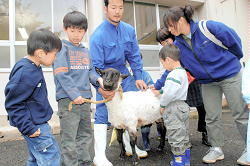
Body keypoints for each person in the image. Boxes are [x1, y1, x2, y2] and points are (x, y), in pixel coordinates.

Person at [163, 5, 249, 165]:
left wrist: (231, 62)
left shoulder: (208, 27)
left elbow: (234, 41)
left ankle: (249, 149)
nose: (168, 29)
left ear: (181, 20)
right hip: (207, 82)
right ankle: (216, 148)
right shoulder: (179, 45)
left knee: (240, 113)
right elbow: (174, 67)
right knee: (211, 117)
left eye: (170, 24)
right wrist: (158, 85)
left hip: (230, 74)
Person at [90, 0, 147, 165]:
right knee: (102, 113)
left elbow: (135, 56)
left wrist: (138, 77)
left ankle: (130, 147)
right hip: (106, 79)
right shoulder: (98, 35)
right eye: (113, 7)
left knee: (129, 111)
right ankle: (99, 155)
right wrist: (100, 86)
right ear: (105, 9)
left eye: (120, 7)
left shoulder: (129, 30)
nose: (117, 11)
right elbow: (95, 68)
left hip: (124, 77)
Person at [4, 29, 62, 166]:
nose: (56, 58)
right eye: (55, 54)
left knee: (36, 158)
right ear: (41, 53)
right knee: (51, 158)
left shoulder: (31, 66)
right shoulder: (27, 72)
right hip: (34, 125)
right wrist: (28, 127)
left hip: (35, 122)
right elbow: (13, 103)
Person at [52, 11, 103, 166]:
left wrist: (99, 79)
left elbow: (90, 71)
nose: (76, 34)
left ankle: (85, 163)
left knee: (86, 135)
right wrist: (74, 95)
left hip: (85, 100)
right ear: (65, 29)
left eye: (80, 31)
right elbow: (62, 74)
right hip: (68, 101)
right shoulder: (61, 48)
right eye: (72, 30)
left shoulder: (85, 51)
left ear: (85, 31)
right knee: (69, 138)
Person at [155, 27, 210, 146]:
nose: (165, 44)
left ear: (172, 37)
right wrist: (157, 85)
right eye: (162, 43)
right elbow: (167, 73)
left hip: (194, 81)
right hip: (182, 84)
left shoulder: (180, 47)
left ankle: (205, 133)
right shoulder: (170, 52)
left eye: (166, 41)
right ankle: (180, 136)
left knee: (202, 107)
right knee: (182, 110)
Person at [151, 44, 190, 166]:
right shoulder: (182, 72)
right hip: (183, 105)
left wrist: (162, 105)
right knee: (183, 133)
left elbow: (169, 94)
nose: (163, 66)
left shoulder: (172, 74)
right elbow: (173, 89)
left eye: (163, 63)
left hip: (173, 107)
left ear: (167, 60)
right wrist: (161, 91)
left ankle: (178, 162)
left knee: (175, 135)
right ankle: (185, 160)